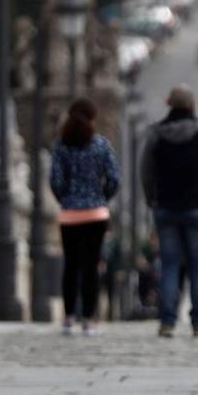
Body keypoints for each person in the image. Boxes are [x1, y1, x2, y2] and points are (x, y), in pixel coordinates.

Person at [141, 85, 198, 338]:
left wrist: (150, 198)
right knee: (197, 266)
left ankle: (167, 321)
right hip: (197, 207)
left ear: (169, 104)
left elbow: (146, 170)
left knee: (170, 265)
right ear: (192, 105)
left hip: (165, 206)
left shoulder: (155, 135)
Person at [49, 98, 120, 337]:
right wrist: (102, 198)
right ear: (92, 118)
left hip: (70, 213)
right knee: (91, 267)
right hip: (96, 214)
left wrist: (66, 199)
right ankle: (89, 319)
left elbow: (56, 180)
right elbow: (114, 179)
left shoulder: (61, 146)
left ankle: (69, 318)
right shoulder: (101, 145)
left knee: (70, 265)